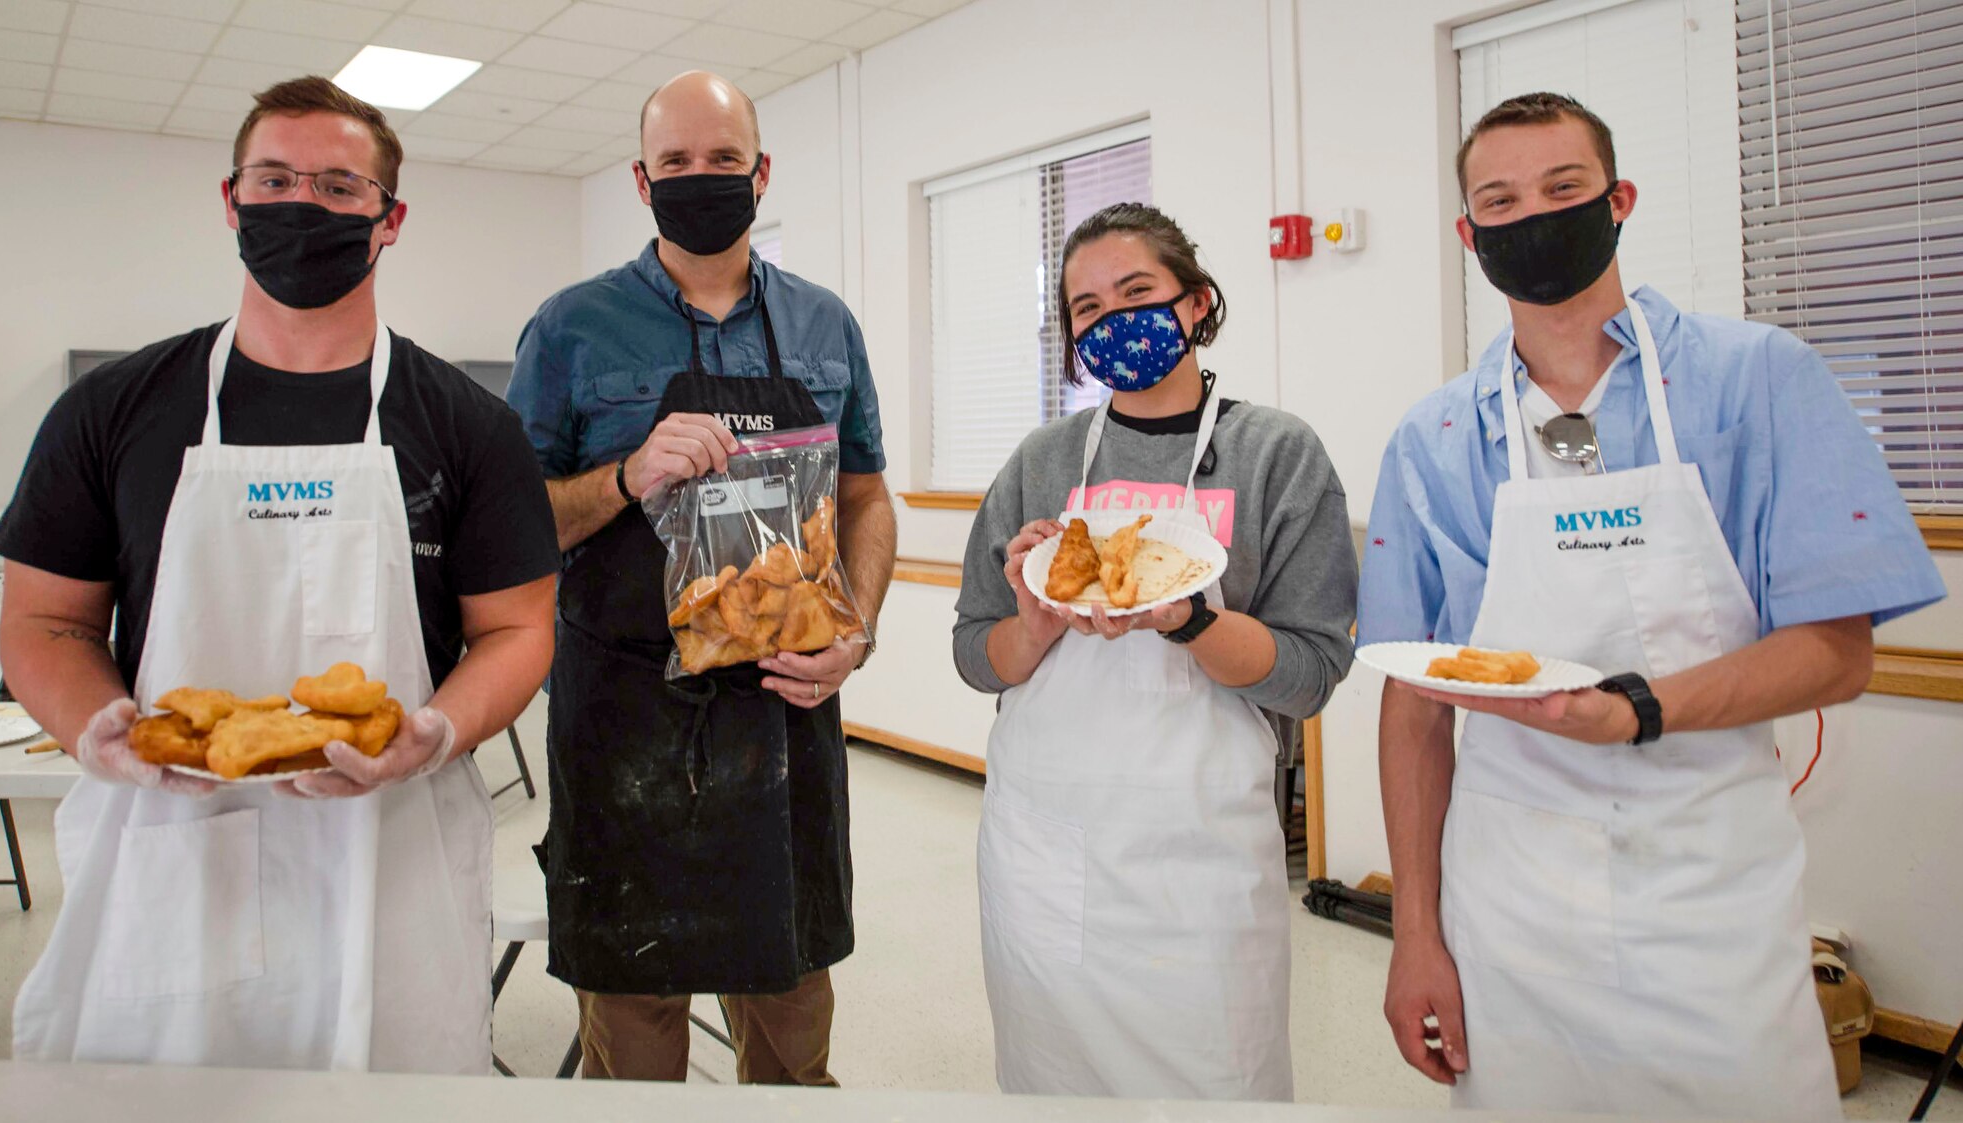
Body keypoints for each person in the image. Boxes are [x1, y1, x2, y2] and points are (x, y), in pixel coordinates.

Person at [1361, 92, 1946, 1117]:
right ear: (1468, 234)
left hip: (1707, 884)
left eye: (1562, 189)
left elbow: (1832, 654)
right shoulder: (1435, 438)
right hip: (1508, 895)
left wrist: (1634, 708)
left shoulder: (1753, 381)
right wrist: (1415, 932)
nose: (1529, 216)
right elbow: (1414, 701)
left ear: (1617, 200)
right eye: (1497, 200)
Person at [0, 77, 560, 1071]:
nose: (304, 204)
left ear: (390, 220)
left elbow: (516, 628)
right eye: (276, 178)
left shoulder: (470, 425)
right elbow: (45, 622)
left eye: (341, 187)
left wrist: (431, 733)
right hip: (172, 844)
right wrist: (100, 730)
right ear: (230, 200)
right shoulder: (115, 410)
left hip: (395, 848)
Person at [505, 71, 894, 1086]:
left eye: (722, 159)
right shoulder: (571, 327)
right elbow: (511, 521)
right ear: (641, 181)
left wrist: (855, 629)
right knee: (634, 1014)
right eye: (676, 162)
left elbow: (864, 498)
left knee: (791, 990)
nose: (700, 177)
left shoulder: (823, 325)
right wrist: (629, 475)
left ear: (760, 172)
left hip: (782, 705)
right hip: (623, 706)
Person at [952, 203, 1358, 1101]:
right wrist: (1038, 620)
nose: (1113, 321)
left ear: (1197, 302)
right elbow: (977, 654)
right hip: (1044, 852)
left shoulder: (1276, 455)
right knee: (1050, 1082)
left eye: (1137, 293)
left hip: (1201, 864)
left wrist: (1190, 621)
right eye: (1087, 309)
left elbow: (1310, 676)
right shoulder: (1041, 458)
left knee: (1218, 1081)